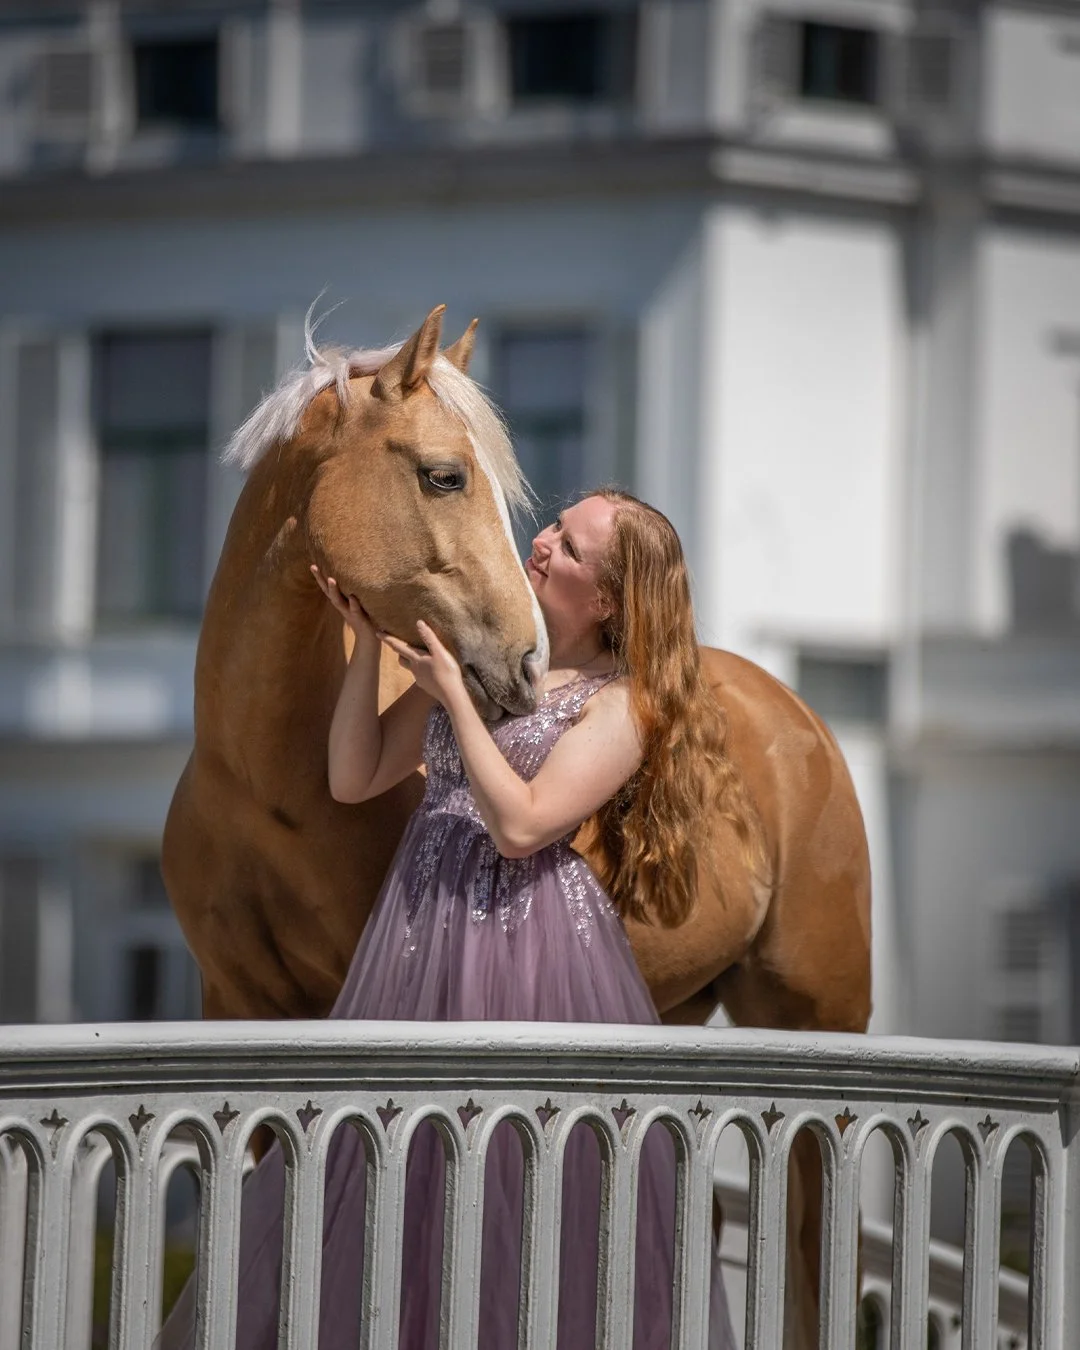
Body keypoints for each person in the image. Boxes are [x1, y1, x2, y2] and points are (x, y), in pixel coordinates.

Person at [160, 489, 749, 1350]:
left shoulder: (621, 704)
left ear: (612, 600)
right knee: (388, 1150)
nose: (542, 543)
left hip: (529, 943)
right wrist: (366, 649)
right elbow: (353, 777)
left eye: (573, 549)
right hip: (420, 925)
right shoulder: (482, 660)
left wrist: (457, 701)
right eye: (553, 527)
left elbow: (522, 825)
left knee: (514, 1163)